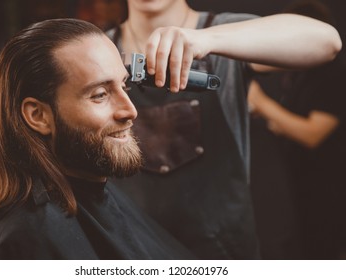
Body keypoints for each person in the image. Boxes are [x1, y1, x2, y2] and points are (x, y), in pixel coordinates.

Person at [106, 0, 342, 259]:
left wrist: (205, 39)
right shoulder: (99, 49)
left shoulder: (223, 31)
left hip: (222, 251)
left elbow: (327, 42)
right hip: (132, 249)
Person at [0, 18, 194, 260]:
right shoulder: (29, 240)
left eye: (125, 86)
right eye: (100, 95)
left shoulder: (89, 189)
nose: (130, 110)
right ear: (38, 116)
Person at [248, 0, 346, 260]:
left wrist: (262, 102)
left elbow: (312, 134)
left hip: (327, 189)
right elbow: (289, 122)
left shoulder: (336, 74)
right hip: (298, 183)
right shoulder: (298, 73)